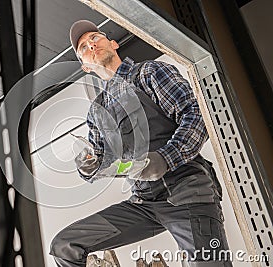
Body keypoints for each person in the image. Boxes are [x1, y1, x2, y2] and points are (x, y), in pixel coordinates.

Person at [50, 20, 232, 267]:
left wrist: (166, 158)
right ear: (85, 66)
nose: (91, 44)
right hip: (143, 203)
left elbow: (196, 114)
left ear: (112, 44)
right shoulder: (97, 112)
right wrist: (89, 166)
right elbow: (104, 162)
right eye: (83, 47)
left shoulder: (149, 73)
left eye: (95, 37)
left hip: (186, 192)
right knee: (65, 247)